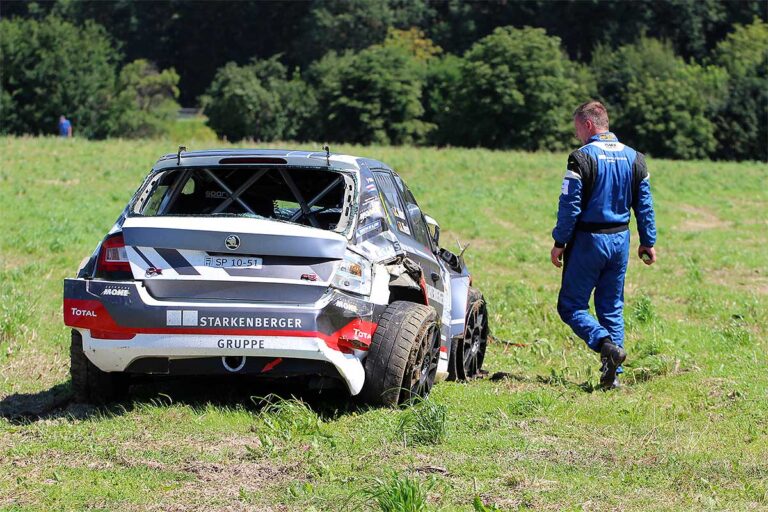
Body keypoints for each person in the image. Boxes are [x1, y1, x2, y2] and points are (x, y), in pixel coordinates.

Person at [550, 101, 657, 390]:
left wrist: (560, 241)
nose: (577, 137)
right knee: (611, 308)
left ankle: (605, 345)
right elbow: (644, 205)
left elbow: (569, 206)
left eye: (577, 130)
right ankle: (613, 379)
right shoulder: (636, 158)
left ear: (588, 125)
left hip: (588, 241)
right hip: (620, 240)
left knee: (571, 307)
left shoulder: (581, 158)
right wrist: (648, 241)